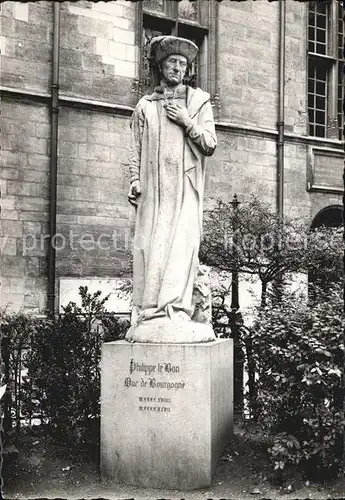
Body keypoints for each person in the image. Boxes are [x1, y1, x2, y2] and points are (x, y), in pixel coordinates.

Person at [126, 36, 217, 343]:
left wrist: (187, 121)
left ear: (188, 69)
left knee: (182, 244)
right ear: (161, 67)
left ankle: (176, 309)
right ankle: (149, 311)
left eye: (182, 63)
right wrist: (134, 180)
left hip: (185, 190)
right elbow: (134, 149)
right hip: (154, 192)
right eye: (171, 62)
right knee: (153, 246)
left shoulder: (198, 102)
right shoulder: (145, 106)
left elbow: (209, 144)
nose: (177, 67)